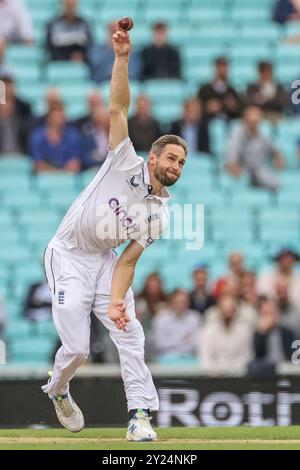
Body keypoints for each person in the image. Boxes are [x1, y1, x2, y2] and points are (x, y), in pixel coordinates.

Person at [42, 27, 188, 441]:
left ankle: (140, 415)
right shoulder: (124, 158)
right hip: (68, 253)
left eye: (182, 162)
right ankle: (58, 388)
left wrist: (119, 302)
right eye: (171, 158)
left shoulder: (161, 213)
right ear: (154, 156)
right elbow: (118, 108)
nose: (176, 167)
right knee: (77, 350)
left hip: (105, 262)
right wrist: (122, 58)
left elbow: (127, 259)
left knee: (130, 330)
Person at [225, 105, 284, 191]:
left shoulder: (262, 135)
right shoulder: (237, 133)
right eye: (250, 122)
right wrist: (233, 165)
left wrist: (278, 157)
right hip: (243, 171)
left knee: (276, 182)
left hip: (258, 171)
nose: (253, 124)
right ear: (244, 120)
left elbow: (275, 150)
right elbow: (232, 156)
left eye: (255, 122)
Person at [29, 104, 82, 173]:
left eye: (62, 117)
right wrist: (58, 172)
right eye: (56, 117)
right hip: (45, 177)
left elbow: (75, 164)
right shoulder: (37, 136)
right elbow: (38, 164)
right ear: (49, 118)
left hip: (67, 177)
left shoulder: (73, 136)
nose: (59, 121)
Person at [249, 296, 295, 376]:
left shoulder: (287, 332)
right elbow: (258, 354)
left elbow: (292, 356)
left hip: (286, 372)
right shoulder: (257, 333)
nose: (269, 317)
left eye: (272, 313)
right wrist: (261, 332)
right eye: (265, 314)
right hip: (264, 374)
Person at [152, 289, 201, 362]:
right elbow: (160, 345)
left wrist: (172, 340)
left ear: (188, 303)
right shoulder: (160, 319)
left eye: (184, 302)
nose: (181, 305)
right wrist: (183, 338)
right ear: (171, 302)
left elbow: (196, 344)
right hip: (166, 359)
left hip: (190, 358)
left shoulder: (195, 318)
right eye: (178, 302)